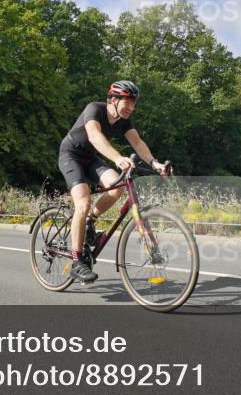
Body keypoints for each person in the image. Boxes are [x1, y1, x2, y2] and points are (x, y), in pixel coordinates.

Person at [58, 80, 167, 283]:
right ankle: (77, 261)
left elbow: (137, 142)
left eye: (134, 103)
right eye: (128, 102)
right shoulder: (94, 109)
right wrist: (117, 158)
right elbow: (94, 136)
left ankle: (90, 219)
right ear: (113, 100)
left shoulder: (124, 120)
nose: (131, 108)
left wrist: (154, 163)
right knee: (83, 202)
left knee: (116, 187)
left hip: (90, 159)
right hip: (71, 155)